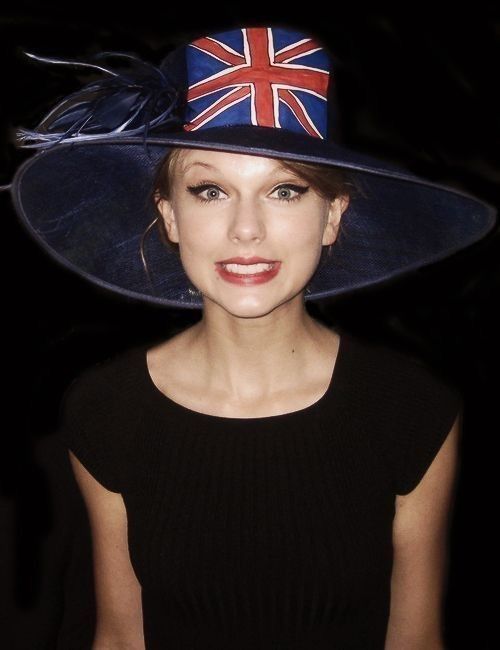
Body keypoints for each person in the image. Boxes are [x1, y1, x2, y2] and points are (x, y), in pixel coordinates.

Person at [4, 24, 497, 650]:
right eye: (210, 190)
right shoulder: (104, 411)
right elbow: (123, 635)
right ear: (170, 215)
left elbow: (416, 638)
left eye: (284, 190)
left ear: (332, 217)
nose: (245, 230)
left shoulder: (413, 411)